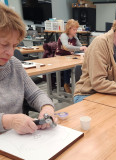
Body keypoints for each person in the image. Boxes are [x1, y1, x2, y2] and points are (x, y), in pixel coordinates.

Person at [0, 2, 55, 135]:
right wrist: (8, 121)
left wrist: (47, 108)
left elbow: (35, 94)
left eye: (14, 45)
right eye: (4, 44)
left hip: (15, 143)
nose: (11, 53)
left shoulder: (14, 65)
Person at [56, 19, 87, 93]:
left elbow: (80, 46)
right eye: (74, 29)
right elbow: (66, 47)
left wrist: (85, 49)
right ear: (69, 29)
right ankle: (66, 84)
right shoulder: (64, 36)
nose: (75, 31)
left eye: (76, 29)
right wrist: (80, 48)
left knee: (79, 66)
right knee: (68, 67)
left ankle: (78, 84)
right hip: (60, 57)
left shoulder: (74, 36)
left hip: (69, 56)